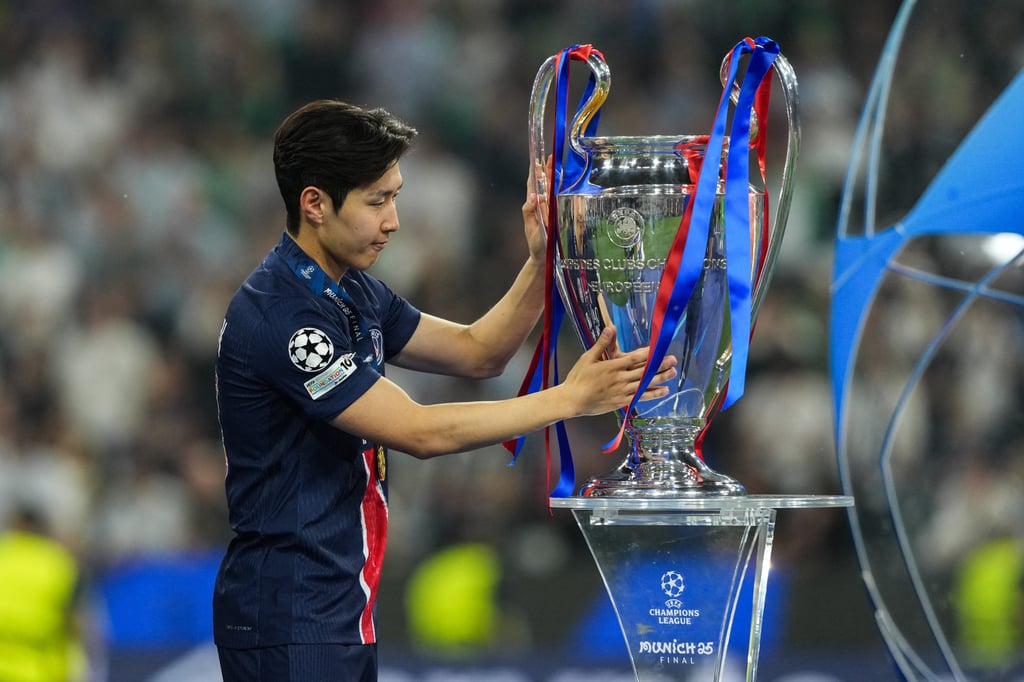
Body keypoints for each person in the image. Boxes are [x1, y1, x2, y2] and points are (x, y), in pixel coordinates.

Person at [212, 99, 677, 681]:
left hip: (331, 608)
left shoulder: (350, 292)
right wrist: (571, 397)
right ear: (315, 205)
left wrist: (542, 260)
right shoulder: (283, 317)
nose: (393, 220)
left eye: (395, 197)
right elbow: (420, 431)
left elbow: (480, 352)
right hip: (287, 618)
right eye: (377, 201)